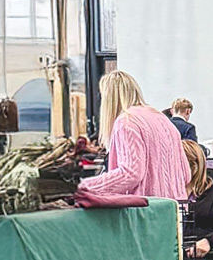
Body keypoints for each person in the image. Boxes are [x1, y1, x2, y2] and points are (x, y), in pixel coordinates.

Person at [80, 71, 190, 202]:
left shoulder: (126, 122)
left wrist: (84, 187)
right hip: (174, 211)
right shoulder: (162, 119)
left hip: (146, 211)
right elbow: (186, 174)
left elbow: (131, 173)